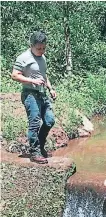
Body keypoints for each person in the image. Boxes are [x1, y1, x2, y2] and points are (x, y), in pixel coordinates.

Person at [11, 30, 56, 164]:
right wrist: (31, 80)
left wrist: (51, 88)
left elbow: (43, 75)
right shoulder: (23, 57)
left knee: (49, 120)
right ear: (31, 45)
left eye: (44, 48)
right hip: (30, 94)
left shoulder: (43, 57)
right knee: (35, 123)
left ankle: (40, 145)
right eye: (39, 48)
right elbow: (14, 75)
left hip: (43, 94)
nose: (42, 51)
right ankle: (35, 152)